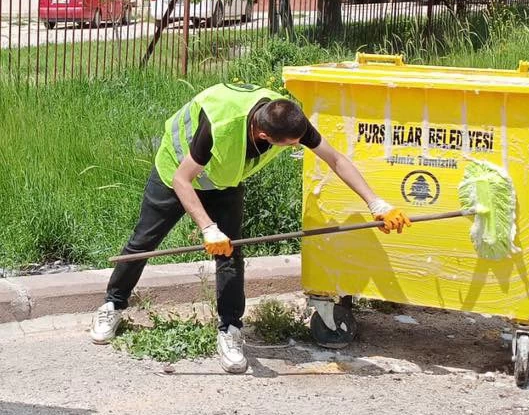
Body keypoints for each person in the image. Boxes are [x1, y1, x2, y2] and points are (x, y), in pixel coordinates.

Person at [90, 82, 410, 373]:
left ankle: (230, 329)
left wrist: (375, 203)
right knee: (144, 241)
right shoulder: (220, 126)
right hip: (176, 169)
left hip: (226, 179)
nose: (295, 147)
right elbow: (181, 180)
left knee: (230, 254)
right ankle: (113, 305)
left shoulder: (287, 118)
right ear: (263, 136)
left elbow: (335, 159)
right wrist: (207, 228)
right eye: (288, 146)